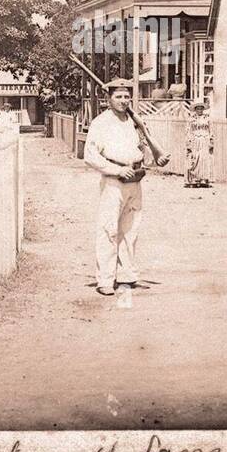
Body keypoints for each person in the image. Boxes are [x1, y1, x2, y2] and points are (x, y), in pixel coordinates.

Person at [83, 78, 148, 296]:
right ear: (108, 99)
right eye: (118, 97)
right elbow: (90, 156)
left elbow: (141, 146)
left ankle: (126, 276)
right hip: (114, 181)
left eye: (126, 96)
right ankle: (105, 280)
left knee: (130, 230)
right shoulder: (101, 123)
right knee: (109, 230)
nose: (123, 101)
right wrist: (117, 170)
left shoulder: (132, 121)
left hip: (135, 180)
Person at [184, 97, 213, 188]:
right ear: (195, 109)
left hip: (204, 139)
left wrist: (211, 140)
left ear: (203, 109)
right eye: (198, 108)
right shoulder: (191, 119)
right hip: (195, 139)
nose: (199, 110)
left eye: (201, 108)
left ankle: (204, 178)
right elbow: (188, 130)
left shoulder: (207, 119)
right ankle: (194, 178)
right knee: (195, 158)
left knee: (203, 158)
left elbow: (211, 130)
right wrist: (188, 141)